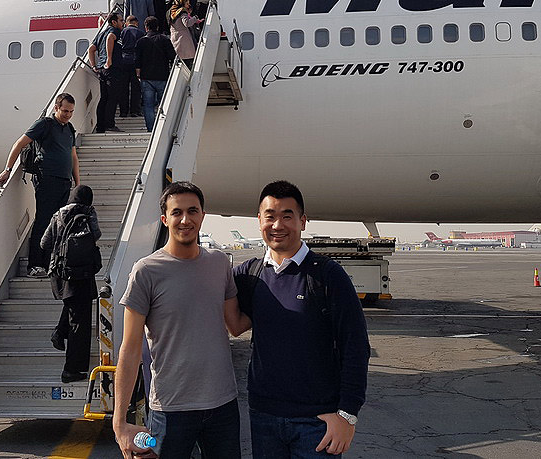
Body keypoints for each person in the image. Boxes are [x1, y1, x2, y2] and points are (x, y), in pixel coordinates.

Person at [233, 181, 370, 458]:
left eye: (287, 216)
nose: (277, 224)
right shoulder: (251, 273)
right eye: (270, 216)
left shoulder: (328, 275)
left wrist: (347, 415)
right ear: (259, 220)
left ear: (303, 221)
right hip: (264, 417)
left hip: (317, 422)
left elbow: (356, 347)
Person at [113, 181, 248, 459]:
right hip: (170, 409)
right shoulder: (146, 271)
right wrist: (119, 422)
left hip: (222, 405)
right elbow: (129, 350)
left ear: (202, 215)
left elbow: (235, 325)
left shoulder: (220, 263)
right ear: (165, 219)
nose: (185, 219)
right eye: (176, 213)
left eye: (192, 211)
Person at [0, 93, 80, 277]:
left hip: (64, 182)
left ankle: (51, 263)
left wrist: (77, 183)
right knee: (43, 221)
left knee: (59, 224)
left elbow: (73, 157)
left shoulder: (70, 128)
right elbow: (19, 143)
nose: (68, 115)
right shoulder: (44, 125)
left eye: (71, 112)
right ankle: (34, 264)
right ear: (56, 108)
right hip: (46, 179)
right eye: (65, 111)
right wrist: (7, 169)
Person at [41, 184, 101, 383]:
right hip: (82, 273)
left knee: (73, 305)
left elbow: (44, 243)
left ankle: (59, 332)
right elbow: (96, 234)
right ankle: (71, 370)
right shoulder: (88, 212)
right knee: (80, 323)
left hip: (61, 274)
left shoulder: (58, 214)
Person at [87, 12, 126, 133]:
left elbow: (91, 49)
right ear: (114, 22)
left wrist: (94, 66)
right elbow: (110, 38)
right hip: (112, 68)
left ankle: (100, 127)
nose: (123, 22)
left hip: (102, 70)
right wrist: (109, 59)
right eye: (120, 20)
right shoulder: (114, 31)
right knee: (112, 97)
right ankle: (109, 124)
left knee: (104, 98)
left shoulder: (101, 33)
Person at [135, 16, 176, 132]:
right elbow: (172, 56)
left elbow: (137, 60)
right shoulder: (164, 39)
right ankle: (165, 127)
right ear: (157, 26)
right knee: (164, 104)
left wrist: (138, 74)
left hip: (146, 77)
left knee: (148, 105)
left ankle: (151, 129)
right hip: (162, 76)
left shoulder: (141, 41)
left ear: (146, 27)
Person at [119, 15, 146, 119]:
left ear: (127, 22)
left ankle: (123, 111)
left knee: (124, 88)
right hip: (136, 62)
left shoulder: (122, 32)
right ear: (136, 23)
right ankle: (135, 111)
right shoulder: (140, 33)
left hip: (123, 61)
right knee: (136, 88)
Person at [169, 0, 201, 69]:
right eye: (187, 3)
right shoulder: (182, 12)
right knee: (187, 62)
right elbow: (187, 23)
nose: (188, 5)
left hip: (174, 38)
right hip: (184, 39)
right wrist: (195, 18)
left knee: (178, 62)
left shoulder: (171, 12)